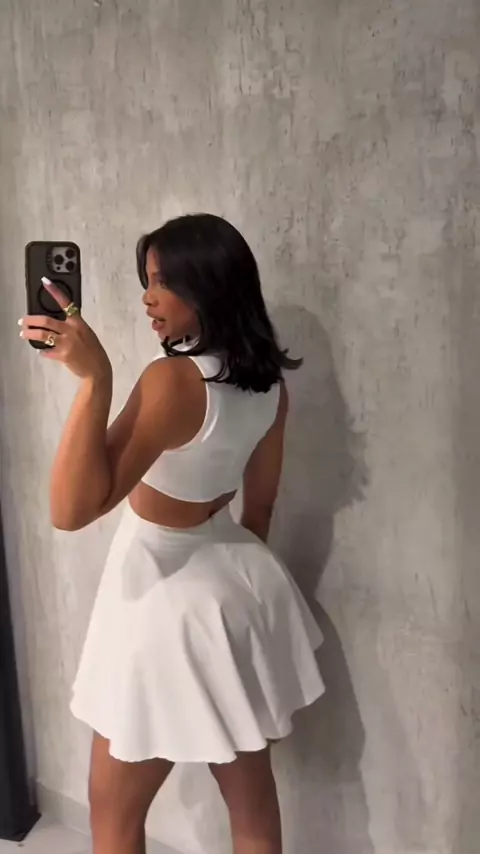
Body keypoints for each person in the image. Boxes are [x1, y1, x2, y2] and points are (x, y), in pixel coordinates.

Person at [20, 214, 325, 854]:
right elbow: (260, 507)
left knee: (113, 811)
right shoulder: (269, 385)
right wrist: (231, 604)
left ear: (209, 284)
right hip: (237, 581)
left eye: (163, 282)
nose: (147, 298)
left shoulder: (173, 382)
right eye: (147, 281)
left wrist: (94, 380)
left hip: (162, 598)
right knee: (251, 803)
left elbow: (71, 510)